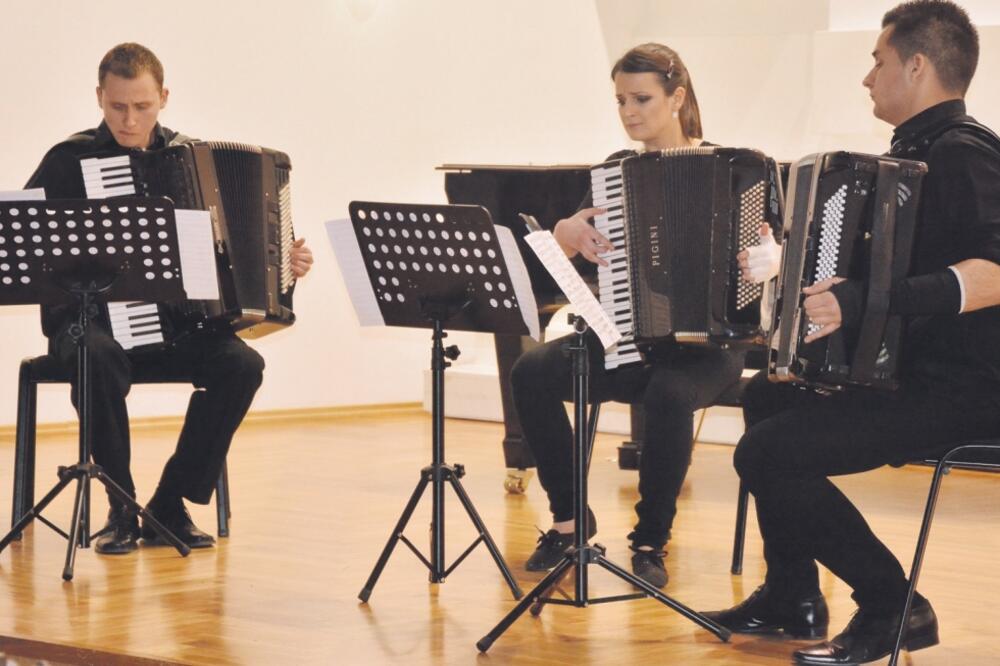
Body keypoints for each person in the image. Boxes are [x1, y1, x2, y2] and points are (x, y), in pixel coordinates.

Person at [705, 2, 1000, 664]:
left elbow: (994, 273)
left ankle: (893, 605)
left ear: (917, 66)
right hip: (915, 377)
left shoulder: (965, 153)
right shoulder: (914, 154)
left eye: (878, 61)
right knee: (765, 400)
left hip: (969, 389)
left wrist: (871, 300)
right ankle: (793, 599)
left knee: (766, 454)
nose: (869, 78)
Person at [25, 42, 314, 554]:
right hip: (90, 323)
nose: (130, 121)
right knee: (97, 355)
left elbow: (236, 257)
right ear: (99, 97)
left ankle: (168, 502)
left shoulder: (191, 160)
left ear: (163, 96)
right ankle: (120, 505)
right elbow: (25, 242)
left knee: (241, 365)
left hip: (177, 328)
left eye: (142, 107)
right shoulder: (70, 161)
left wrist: (286, 265)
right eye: (117, 107)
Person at [511, 43, 747, 588]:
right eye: (620, 100)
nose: (629, 111)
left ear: (677, 97)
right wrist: (565, 237)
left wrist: (762, 257)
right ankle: (570, 523)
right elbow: (574, 268)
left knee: (669, 392)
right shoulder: (613, 173)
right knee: (533, 371)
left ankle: (650, 540)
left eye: (641, 98)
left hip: (708, 349)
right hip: (627, 339)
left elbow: (766, 259)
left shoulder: (730, 170)